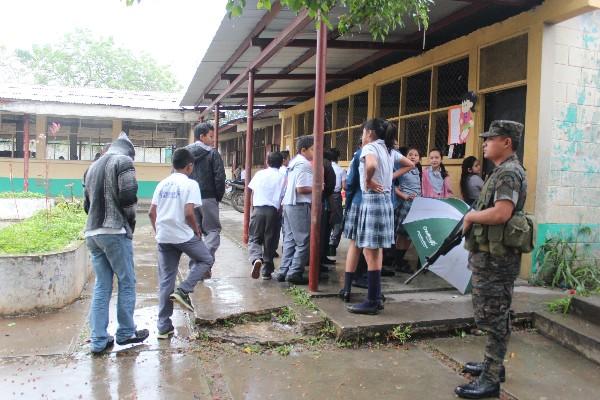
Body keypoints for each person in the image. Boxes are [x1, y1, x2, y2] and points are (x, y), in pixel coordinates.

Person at [455, 120, 528, 399]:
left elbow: (501, 213)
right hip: (490, 255)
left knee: (494, 314)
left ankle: (491, 378)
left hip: (497, 259)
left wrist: (471, 216)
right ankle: (492, 364)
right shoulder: (501, 171)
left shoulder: (509, 172)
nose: (485, 142)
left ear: (506, 142)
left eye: (491, 138)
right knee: (494, 311)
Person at [83, 132, 148, 354]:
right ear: (130, 151)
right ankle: (126, 332)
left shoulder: (92, 166)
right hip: (114, 230)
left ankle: (99, 340)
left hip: (92, 233)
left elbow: (87, 204)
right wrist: (130, 225)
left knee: (102, 285)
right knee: (126, 281)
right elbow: (128, 198)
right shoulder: (124, 162)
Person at [347, 119, 413, 315]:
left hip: (373, 200)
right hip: (385, 201)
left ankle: (373, 300)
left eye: (364, 131)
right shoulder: (389, 150)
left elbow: (371, 165)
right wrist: (390, 178)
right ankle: (375, 298)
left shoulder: (370, 148)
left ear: (369, 132)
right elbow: (410, 164)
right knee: (373, 252)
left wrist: (368, 180)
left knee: (370, 252)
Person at [148, 148, 214, 339]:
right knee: (205, 259)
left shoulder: (162, 184)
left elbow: (152, 212)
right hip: (183, 235)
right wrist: (196, 230)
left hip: (164, 236)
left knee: (166, 280)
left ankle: (163, 327)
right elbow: (188, 213)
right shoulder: (190, 184)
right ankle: (184, 290)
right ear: (190, 166)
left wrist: (157, 230)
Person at [277, 135, 314, 285]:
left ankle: (283, 271)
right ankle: (295, 272)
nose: (315, 152)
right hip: (299, 204)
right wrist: (318, 187)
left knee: (290, 239)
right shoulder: (304, 164)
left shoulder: (293, 163)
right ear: (303, 150)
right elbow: (301, 188)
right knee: (303, 241)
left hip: (288, 204)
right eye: (313, 149)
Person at [186, 122, 226, 259]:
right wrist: (217, 198)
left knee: (194, 233)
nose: (213, 139)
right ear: (202, 136)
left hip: (189, 201)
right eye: (210, 136)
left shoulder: (184, 153)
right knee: (213, 231)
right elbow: (220, 177)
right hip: (208, 198)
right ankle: (204, 260)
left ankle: (197, 266)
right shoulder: (213, 154)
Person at [247, 152, 285, 280]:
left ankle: (256, 258)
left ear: (267, 161)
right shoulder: (282, 176)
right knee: (270, 240)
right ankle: (267, 271)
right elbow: (283, 196)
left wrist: (253, 208)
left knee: (254, 238)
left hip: (258, 209)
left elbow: (252, 192)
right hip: (273, 211)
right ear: (282, 163)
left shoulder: (260, 174)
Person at [393, 147, 422, 273]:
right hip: (405, 204)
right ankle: (398, 262)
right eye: (410, 154)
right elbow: (392, 185)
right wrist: (404, 195)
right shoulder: (402, 169)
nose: (413, 156)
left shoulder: (417, 171)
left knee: (408, 234)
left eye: (416, 155)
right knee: (401, 234)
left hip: (415, 206)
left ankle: (400, 260)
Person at [327, 148, 346, 257]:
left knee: (326, 220)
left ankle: (326, 244)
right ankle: (332, 245)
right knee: (337, 221)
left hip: (326, 196)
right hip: (336, 196)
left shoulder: (325, 167)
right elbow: (344, 186)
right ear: (338, 158)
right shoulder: (340, 170)